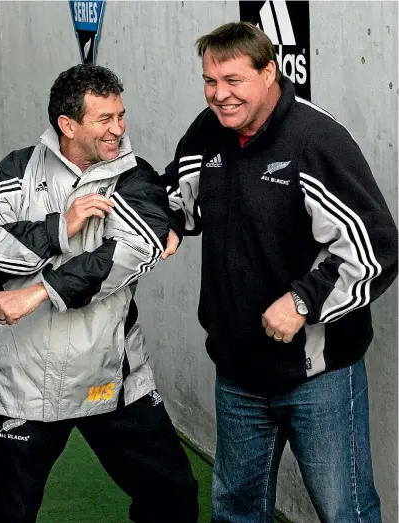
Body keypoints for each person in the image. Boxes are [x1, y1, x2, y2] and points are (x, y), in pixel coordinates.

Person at [162, 22, 398, 523]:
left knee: (346, 513)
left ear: (269, 72)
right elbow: (176, 199)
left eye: (232, 80)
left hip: (318, 376)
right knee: (236, 511)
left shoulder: (315, 140)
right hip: (238, 374)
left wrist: (302, 301)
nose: (219, 95)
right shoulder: (209, 134)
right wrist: (162, 222)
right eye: (209, 81)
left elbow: (375, 246)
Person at [0, 63, 198, 523]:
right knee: (12, 511)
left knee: (173, 498)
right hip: (27, 384)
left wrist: (35, 292)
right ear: (67, 125)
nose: (119, 129)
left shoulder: (136, 177)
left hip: (112, 380)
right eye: (104, 120)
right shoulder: (19, 170)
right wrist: (60, 228)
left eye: (121, 115)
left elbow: (128, 253)